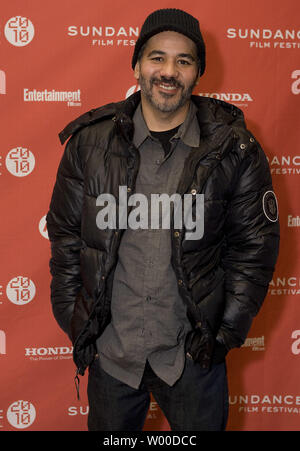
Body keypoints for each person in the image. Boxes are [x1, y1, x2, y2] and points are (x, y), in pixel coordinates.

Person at [46, 8, 280, 431]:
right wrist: (77, 323)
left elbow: (254, 249)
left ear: (197, 73)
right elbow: (65, 238)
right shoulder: (88, 143)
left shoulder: (236, 149)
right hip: (112, 357)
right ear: (137, 64)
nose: (168, 71)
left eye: (183, 61)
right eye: (157, 57)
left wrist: (221, 335)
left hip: (191, 360)